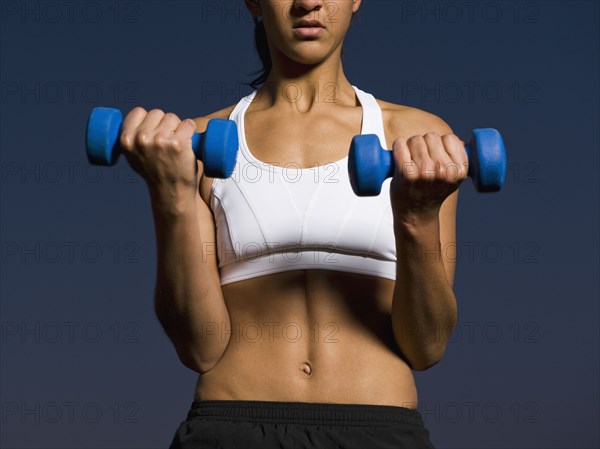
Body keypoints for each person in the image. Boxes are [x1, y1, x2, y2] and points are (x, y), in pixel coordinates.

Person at [119, 1, 468, 447]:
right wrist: (171, 195)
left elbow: (427, 346)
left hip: (379, 427)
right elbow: (198, 347)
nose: (309, 2)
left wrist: (417, 217)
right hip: (230, 426)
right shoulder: (199, 143)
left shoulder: (418, 142)